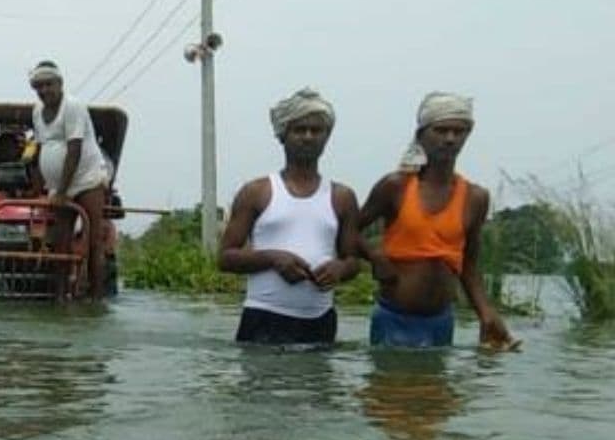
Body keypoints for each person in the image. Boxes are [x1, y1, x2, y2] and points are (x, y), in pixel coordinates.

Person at [357, 92, 518, 349]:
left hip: (441, 320)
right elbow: (348, 231)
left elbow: (469, 266)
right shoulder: (396, 186)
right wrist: (374, 256)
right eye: (441, 130)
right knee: (391, 376)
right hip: (394, 317)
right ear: (421, 135)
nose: (450, 139)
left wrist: (486, 314)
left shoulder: (475, 197)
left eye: (459, 131)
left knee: (438, 375)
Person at [217, 87, 360, 345]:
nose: (308, 137)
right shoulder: (256, 192)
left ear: (327, 137)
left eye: (316, 130)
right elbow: (225, 258)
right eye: (299, 130)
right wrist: (273, 258)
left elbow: (352, 260)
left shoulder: (342, 197)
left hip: (321, 320)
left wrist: (339, 269)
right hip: (264, 317)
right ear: (283, 135)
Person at [29, 60, 110, 299]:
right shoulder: (37, 111)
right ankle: (60, 296)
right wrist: (40, 189)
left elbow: (74, 150)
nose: (44, 90)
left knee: (93, 241)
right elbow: (40, 148)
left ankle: (96, 299)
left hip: (86, 180)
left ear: (60, 83)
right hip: (57, 186)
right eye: (38, 86)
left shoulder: (73, 106)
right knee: (60, 242)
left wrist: (63, 191)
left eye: (48, 84)